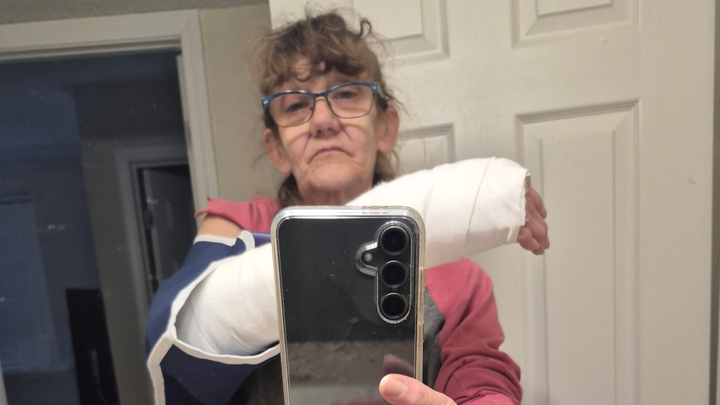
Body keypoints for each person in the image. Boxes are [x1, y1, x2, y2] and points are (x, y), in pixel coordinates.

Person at [145, 10, 549, 405]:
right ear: (277, 149)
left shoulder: (456, 272)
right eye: (295, 105)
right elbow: (181, 337)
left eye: (346, 94)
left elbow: (481, 378)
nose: (322, 119)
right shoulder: (238, 229)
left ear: (385, 127)